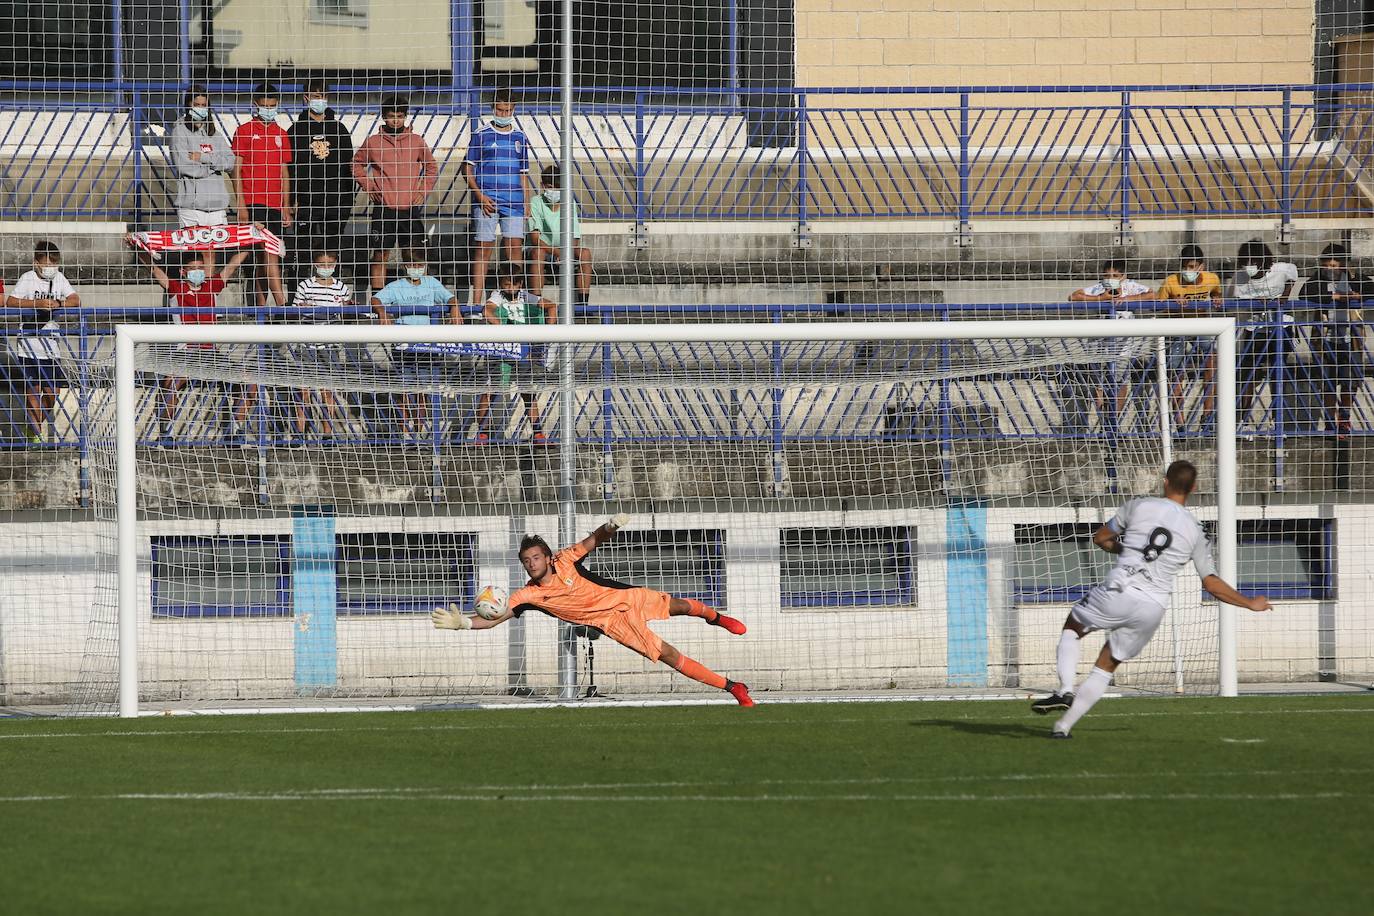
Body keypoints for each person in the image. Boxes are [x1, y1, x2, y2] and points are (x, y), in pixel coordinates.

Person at [1031, 460, 1271, 737]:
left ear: (1165, 481)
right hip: (1152, 607)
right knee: (1106, 665)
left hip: (1120, 589)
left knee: (1073, 628)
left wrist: (1125, 549)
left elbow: (1101, 538)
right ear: (1193, 488)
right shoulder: (1196, 531)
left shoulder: (1139, 505)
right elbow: (1211, 583)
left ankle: (1064, 690)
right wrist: (1250, 603)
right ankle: (1062, 728)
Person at [431, 514, 755, 706]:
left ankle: (716, 618)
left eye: (536, 557)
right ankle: (733, 688)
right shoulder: (526, 595)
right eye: (526, 561)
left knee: (682, 605)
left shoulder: (565, 559)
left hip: (625, 598)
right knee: (669, 654)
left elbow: (592, 540)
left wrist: (610, 525)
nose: (532, 564)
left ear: (546, 556)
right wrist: (463, 624)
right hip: (612, 623)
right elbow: (494, 619)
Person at [126, 235, 251, 444]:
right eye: (193, 269)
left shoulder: (212, 287)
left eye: (201, 268)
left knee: (249, 380)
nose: (198, 272)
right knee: (170, 382)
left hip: (210, 353)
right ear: (184, 272)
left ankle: (236, 429)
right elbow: (154, 269)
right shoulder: (177, 288)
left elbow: (232, 266)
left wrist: (252, 241)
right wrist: (137, 248)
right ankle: (166, 432)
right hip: (186, 353)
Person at [370, 248, 461, 442]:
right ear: (405, 266)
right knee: (405, 388)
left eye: (420, 265)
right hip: (404, 345)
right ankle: (405, 432)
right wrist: (382, 312)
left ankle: (420, 430)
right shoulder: (396, 286)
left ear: (425, 266)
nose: (416, 269)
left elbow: (450, 297)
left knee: (424, 389)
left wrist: (455, 307)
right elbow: (375, 299)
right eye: (412, 265)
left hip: (427, 345)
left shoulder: (432, 283)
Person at [352, 96, 438, 296]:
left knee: (413, 255)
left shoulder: (416, 141)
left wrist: (422, 190)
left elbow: (431, 167)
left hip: (409, 209)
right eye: (392, 116)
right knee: (380, 254)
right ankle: (377, 300)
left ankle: (414, 296)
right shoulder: (373, 142)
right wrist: (369, 185)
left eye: (400, 116)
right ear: (384, 117)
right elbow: (356, 164)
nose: (396, 121)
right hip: (384, 209)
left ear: (405, 117)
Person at [1060, 260, 1153, 431]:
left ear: (1123, 277)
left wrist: (1127, 300)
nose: (1110, 279)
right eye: (1107, 276)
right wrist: (1100, 299)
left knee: (1121, 381)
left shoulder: (1131, 287)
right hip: (1098, 345)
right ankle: (1104, 418)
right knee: (1100, 383)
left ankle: (1113, 422)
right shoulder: (1098, 289)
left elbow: (1152, 295)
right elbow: (1074, 296)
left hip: (1123, 346)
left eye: (1115, 276)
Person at [462, 88, 533, 306]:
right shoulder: (481, 135)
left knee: (514, 249)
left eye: (508, 110)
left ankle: (515, 301)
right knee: (484, 249)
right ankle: (476, 303)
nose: (504, 114)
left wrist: (526, 202)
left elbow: (523, 174)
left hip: (513, 202)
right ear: (493, 109)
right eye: (500, 110)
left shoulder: (520, 137)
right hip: (487, 202)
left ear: (514, 109)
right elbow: (467, 169)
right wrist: (480, 196)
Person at [5, 241, 80, 443]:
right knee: (33, 391)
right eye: (47, 264)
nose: (50, 269)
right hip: (29, 347)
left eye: (54, 264)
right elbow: (10, 302)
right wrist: (36, 303)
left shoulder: (59, 278)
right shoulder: (27, 279)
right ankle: (34, 434)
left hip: (50, 346)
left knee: (52, 391)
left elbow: (76, 299)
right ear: (36, 263)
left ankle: (37, 423)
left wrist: (59, 303)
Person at [474, 263, 556, 444]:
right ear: (501, 284)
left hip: (523, 351)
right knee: (491, 390)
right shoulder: (497, 296)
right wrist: (502, 329)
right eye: (507, 284)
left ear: (520, 285)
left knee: (527, 392)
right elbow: (487, 310)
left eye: (514, 284)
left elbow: (551, 307)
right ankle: (482, 432)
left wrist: (548, 333)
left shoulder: (526, 297)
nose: (510, 288)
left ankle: (538, 433)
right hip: (501, 352)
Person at [287, 78, 356, 279]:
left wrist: (346, 200)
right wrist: (292, 200)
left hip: (335, 202)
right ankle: (298, 296)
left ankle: (331, 295)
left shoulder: (339, 129)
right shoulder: (296, 131)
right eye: (316, 96)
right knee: (303, 251)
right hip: (307, 202)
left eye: (323, 96)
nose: (320, 100)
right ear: (306, 98)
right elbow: (291, 169)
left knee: (332, 251)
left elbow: (348, 166)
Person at [231, 82, 291, 307]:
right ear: (255, 105)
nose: (269, 109)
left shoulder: (281, 134)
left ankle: (261, 310)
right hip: (253, 201)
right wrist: (241, 204)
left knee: (268, 255)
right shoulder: (244, 131)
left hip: (275, 204)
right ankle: (281, 304)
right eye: (265, 105)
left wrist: (286, 206)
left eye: (273, 105)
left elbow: (285, 172)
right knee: (265, 254)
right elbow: (236, 169)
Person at [1155, 244, 1224, 428]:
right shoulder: (1170, 282)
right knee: (1176, 370)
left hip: (1200, 326)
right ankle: (1180, 421)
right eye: (1185, 267)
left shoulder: (1212, 279)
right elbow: (1157, 306)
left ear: (1202, 266)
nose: (1188, 271)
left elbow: (1217, 294)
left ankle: (1208, 415)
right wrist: (1172, 303)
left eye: (1192, 267)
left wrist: (1217, 299)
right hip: (1177, 327)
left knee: (1213, 360)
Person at [169, 85, 236, 274]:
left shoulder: (213, 132)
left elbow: (230, 162)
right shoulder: (179, 131)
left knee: (211, 254)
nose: (200, 108)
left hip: (216, 205)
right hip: (192, 206)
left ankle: (207, 295)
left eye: (204, 104)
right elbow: (184, 166)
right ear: (188, 105)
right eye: (196, 104)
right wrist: (215, 167)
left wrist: (204, 158)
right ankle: (192, 296)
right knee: (194, 255)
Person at [289, 250, 353, 442]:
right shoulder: (305, 285)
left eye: (329, 264)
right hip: (306, 342)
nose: (326, 268)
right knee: (304, 389)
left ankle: (327, 432)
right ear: (315, 265)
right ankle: (299, 432)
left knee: (328, 389)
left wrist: (349, 307)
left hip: (330, 344)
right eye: (322, 264)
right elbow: (294, 311)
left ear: (335, 264)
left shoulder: (340, 287)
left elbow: (347, 312)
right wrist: (303, 309)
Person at [1231, 240, 1300, 419]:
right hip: (1255, 327)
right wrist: (1256, 302)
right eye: (1245, 262)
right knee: (1246, 375)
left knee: (1278, 373)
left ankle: (1277, 421)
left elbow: (1293, 276)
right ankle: (1243, 419)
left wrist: (1284, 297)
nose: (1249, 267)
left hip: (1280, 326)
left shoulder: (1281, 269)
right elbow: (1237, 300)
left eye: (1253, 262)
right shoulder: (1240, 277)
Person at [1305, 243, 1366, 435]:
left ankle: (1345, 417)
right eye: (1327, 265)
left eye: (1334, 266)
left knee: (1350, 381)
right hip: (1326, 338)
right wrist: (1336, 296)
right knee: (1328, 381)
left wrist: (1356, 293)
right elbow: (1307, 291)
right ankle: (1330, 419)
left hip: (1350, 338)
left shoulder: (1353, 278)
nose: (1330, 269)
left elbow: (1370, 287)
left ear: (1343, 265)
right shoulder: (1319, 279)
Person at [527, 162, 591, 307]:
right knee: (538, 253)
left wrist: (565, 252)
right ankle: (537, 303)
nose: (554, 191)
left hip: (564, 249)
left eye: (558, 188)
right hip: (545, 250)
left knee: (585, 254)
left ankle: (583, 304)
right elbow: (536, 239)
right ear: (543, 186)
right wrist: (556, 251)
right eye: (550, 187)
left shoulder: (569, 203)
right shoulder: (536, 202)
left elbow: (574, 235)